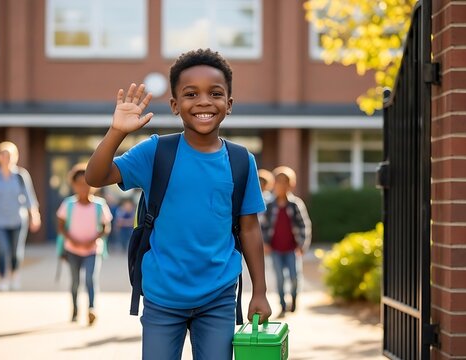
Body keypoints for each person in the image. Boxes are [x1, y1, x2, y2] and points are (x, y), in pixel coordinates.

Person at [85, 48, 272, 360]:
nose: (203, 101)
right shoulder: (156, 152)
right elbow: (96, 175)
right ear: (174, 105)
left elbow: (250, 230)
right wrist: (116, 131)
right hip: (162, 296)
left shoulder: (241, 160)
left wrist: (261, 292)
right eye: (190, 94)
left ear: (228, 104)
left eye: (215, 93)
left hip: (219, 295)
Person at [57, 163, 112, 325]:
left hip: (92, 249)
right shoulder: (68, 204)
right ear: (73, 185)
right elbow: (60, 226)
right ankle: (74, 309)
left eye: (87, 184)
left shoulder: (99, 205)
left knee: (90, 279)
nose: (83, 187)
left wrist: (95, 238)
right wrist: (72, 239)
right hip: (72, 249)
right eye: (79, 183)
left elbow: (106, 226)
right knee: (75, 282)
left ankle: (91, 309)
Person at [0, 141, 41, 291]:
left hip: (18, 219)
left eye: (9, 155)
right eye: (3, 155)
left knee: (16, 251)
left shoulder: (21, 176)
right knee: (2, 250)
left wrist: (34, 215)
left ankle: (14, 275)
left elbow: (30, 198)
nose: (6, 158)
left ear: (15, 157)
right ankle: (3, 278)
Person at [261, 166, 312, 318]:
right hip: (275, 249)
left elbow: (304, 225)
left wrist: (303, 244)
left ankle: (294, 299)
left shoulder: (295, 205)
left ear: (291, 184)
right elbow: (263, 226)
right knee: (279, 278)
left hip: (292, 249)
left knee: (295, 276)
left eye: (285, 182)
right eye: (279, 182)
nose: (282, 185)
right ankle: (282, 304)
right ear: (273, 184)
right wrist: (265, 243)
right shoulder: (270, 206)